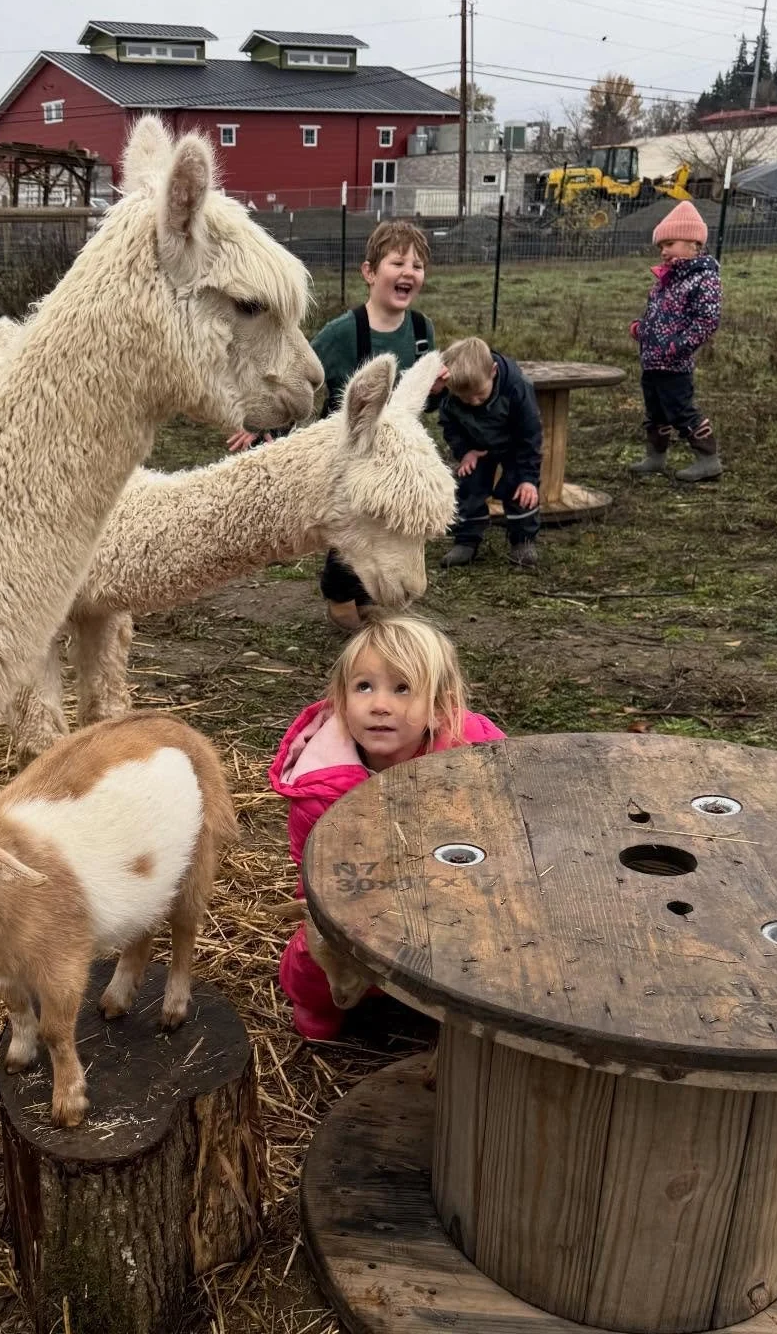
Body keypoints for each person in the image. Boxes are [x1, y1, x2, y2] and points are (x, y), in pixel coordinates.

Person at [269, 615, 505, 1040]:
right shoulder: (320, 789)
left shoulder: (472, 763)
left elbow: (500, 827)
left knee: (486, 949)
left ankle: (458, 1016)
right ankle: (316, 1004)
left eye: (402, 689)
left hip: (444, 889)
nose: (380, 704)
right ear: (341, 700)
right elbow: (313, 873)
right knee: (316, 952)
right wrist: (327, 914)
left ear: (438, 707)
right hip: (357, 894)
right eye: (364, 687)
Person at [249, 220, 437, 629]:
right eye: (398, 262)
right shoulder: (342, 333)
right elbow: (301, 382)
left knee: (394, 524)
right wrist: (268, 429)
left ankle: (372, 598)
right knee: (353, 522)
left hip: (395, 458)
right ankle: (341, 601)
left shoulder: (422, 331)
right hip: (347, 456)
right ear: (370, 272)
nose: (409, 272)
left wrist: (438, 392)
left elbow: (427, 399)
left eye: (418, 265)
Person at [429, 335, 544, 571]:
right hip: (476, 447)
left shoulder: (516, 386)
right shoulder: (452, 394)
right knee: (468, 483)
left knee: (519, 490)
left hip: (514, 445)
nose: (473, 402)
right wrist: (465, 452)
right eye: (465, 398)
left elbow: (530, 435)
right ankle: (467, 540)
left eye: (479, 395)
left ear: (492, 372)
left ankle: (522, 541)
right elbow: (449, 424)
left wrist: (528, 478)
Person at [628, 202, 723, 482]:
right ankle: (655, 457)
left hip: (675, 363)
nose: (664, 251)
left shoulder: (704, 279)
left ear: (694, 244)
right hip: (652, 360)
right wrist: (641, 329)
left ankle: (708, 459)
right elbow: (658, 316)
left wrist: (677, 347)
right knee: (655, 412)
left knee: (681, 411)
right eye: (661, 246)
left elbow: (707, 320)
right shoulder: (666, 280)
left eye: (669, 243)